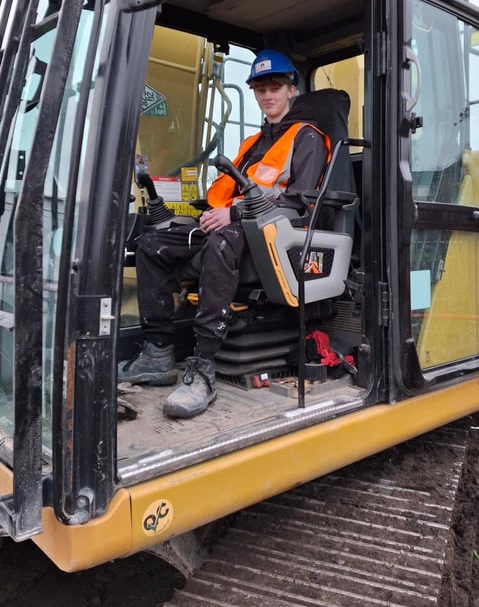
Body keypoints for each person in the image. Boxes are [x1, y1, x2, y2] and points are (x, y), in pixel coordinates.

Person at [119, 50, 329, 418]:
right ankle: (158, 352)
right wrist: (210, 213)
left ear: (291, 89)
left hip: (276, 235)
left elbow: (299, 201)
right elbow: (228, 192)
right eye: (260, 88)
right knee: (151, 245)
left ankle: (203, 367)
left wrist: (231, 213)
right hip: (235, 226)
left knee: (221, 241)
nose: (267, 95)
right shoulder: (251, 144)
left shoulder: (306, 138)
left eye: (275, 87)